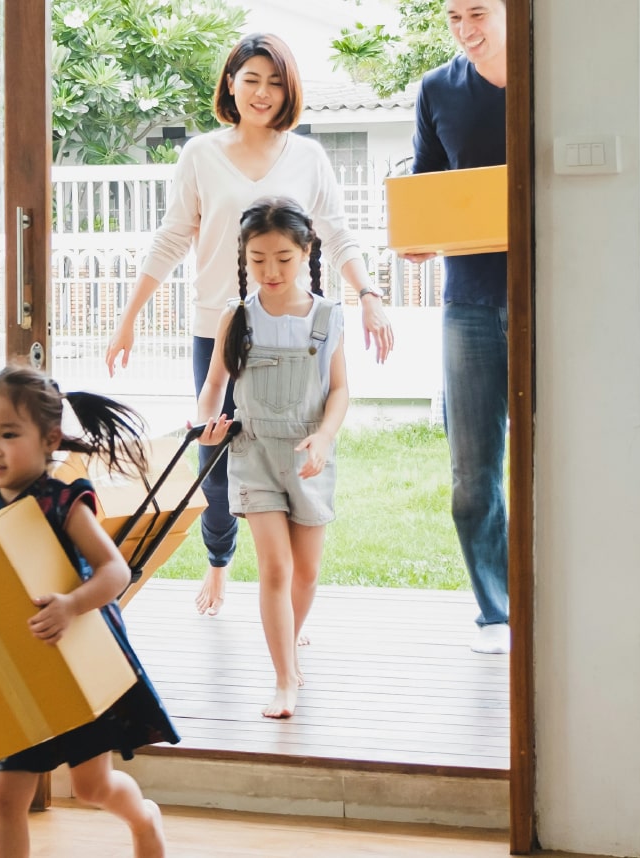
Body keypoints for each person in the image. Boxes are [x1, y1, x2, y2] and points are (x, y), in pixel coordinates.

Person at [104, 32, 394, 618]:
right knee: (213, 460)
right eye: (251, 79)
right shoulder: (200, 155)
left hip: (291, 337)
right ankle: (219, 562)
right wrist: (128, 317)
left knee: (292, 464)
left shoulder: (308, 157)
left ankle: (289, 603)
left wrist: (368, 293)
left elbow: (335, 233)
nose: (262, 92)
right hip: (221, 332)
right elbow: (170, 240)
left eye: (275, 81)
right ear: (230, 84)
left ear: (289, 90)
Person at [0, 366, 176, 858]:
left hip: (74, 659)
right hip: (13, 669)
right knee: (5, 796)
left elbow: (115, 572)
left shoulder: (63, 502)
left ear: (49, 438)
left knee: (91, 787)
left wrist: (71, 605)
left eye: (8, 434)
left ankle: (145, 820)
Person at [195, 198, 351, 720]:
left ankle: (289, 641)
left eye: (283, 258)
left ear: (306, 251)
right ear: (244, 257)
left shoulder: (328, 317)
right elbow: (215, 383)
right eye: (258, 259)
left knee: (307, 573)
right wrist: (208, 426)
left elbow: (340, 391)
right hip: (253, 452)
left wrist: (325, 438)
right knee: (277, 568)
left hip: (309, 455)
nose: (271, 271)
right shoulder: (236, 317)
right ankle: (284, 680)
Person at [402, 0, 511, 654]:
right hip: (468, 304)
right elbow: (426, 188)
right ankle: (495, 612)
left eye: (478, 12)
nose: (467, 29)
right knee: (473, 475)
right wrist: (418, 236)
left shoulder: (548, 77)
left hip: (549, 298)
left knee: (561, 465)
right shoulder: (438, 89)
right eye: (453, 17)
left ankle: (557, 603)